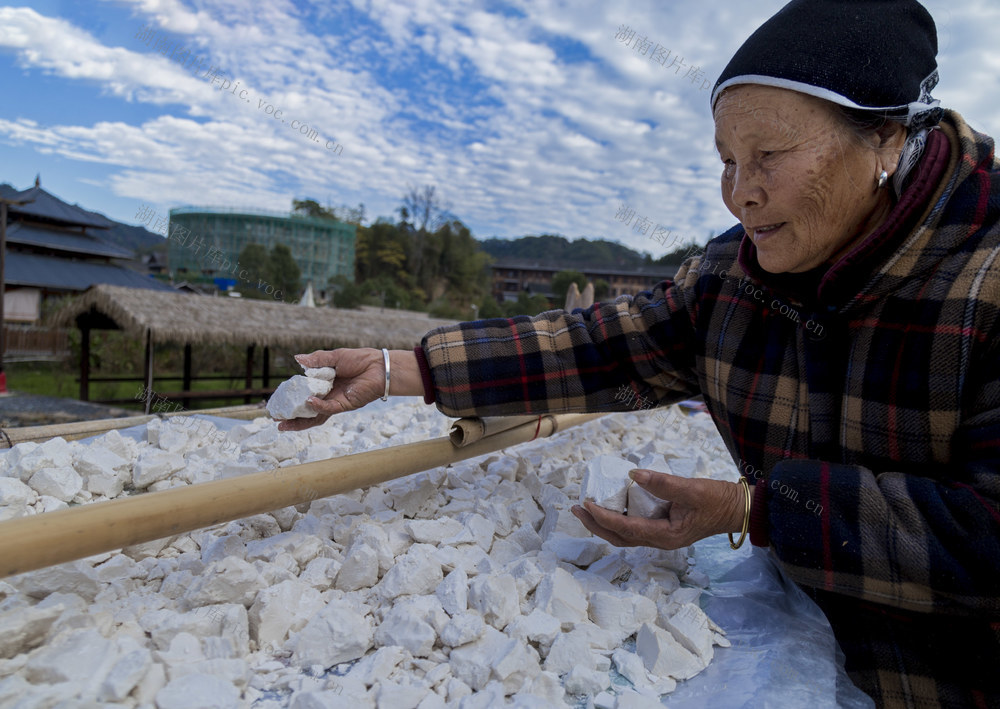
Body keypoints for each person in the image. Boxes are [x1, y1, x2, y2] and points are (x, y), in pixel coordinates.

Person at [278, 0, 1000, 705]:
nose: (740, 195)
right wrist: (403, 368)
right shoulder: (735, 277)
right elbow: (602, 346)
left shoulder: (983, 279)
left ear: (883, 140)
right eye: (726, 160)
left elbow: (985, 534)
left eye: (769, 156)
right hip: (808, 651)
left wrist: (754, 509)